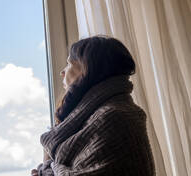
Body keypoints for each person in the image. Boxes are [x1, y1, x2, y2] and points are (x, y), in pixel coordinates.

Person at [31, 36, 155, 176]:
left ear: (87, 70)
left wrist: (46, 170)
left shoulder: (115, 117)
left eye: (69, 64)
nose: (62, 72)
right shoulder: (91, 118)